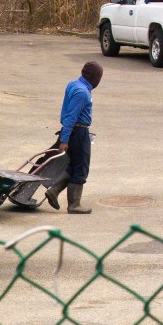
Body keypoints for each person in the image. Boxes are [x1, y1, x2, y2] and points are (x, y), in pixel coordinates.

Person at [45, 61, 103, 214]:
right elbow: (71, 117)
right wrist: (64, 140)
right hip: (77, 132)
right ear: (94, 77)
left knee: (73, 165)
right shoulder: (82, 92)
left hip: (73, 131)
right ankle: (74, 205)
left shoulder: (74, 84)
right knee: (81, 168)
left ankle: (54, 191)